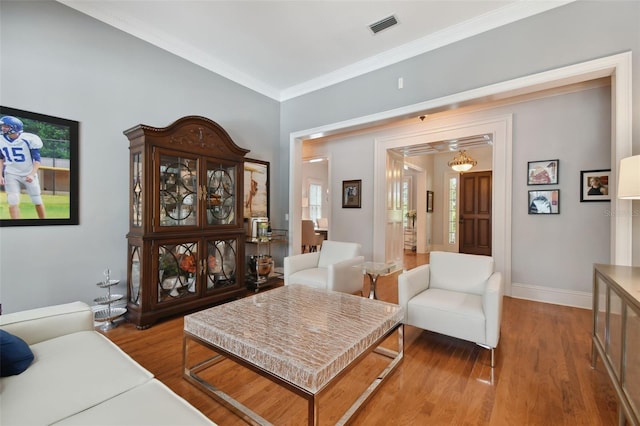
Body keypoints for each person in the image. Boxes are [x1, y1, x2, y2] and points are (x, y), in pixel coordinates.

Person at [0, 115, 46, 219]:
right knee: (12, 201)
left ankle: (43, 222)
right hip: (11, 173)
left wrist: (32, 174)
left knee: (37, 200)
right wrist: (0, 175)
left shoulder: (28, 139)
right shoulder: (1, 140)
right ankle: (15, 225)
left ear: (14, 127)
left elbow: (37, 160)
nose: (3, 128)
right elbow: (1, 158)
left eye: (6, 126)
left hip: (28, 172)